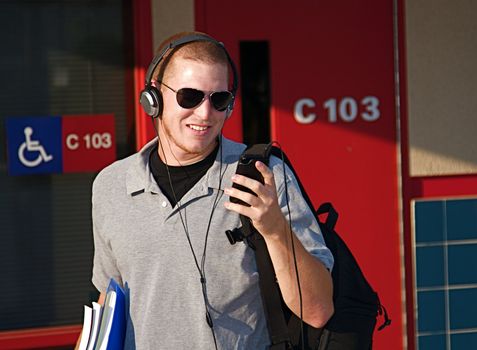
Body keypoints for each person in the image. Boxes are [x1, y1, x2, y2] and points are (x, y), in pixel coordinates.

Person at [88, 31, 334, 349]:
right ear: (153, 99)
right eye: (189, 97)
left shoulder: (264, 176)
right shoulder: (110, 186)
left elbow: (318, 310)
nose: (205, 114)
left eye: (219, 100)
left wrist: (274, 229)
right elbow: (107, 301)